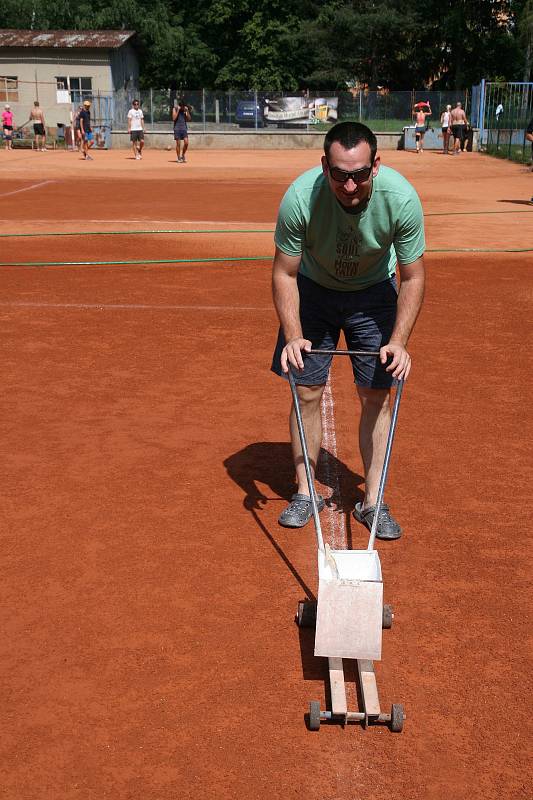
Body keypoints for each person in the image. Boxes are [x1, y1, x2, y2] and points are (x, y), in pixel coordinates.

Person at [271, 121, 425, 540]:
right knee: (305, 388)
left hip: (373, 292)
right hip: (314, 289)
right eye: (339, 174)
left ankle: (373, 501)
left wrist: (398, 342)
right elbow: (284, 273)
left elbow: (412, 277)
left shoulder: (401, 199)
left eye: (359, 173)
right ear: (325, 166)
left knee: (376, 394)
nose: (350, 185)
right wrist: (293, 333)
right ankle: (305, 492)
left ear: (376, 165)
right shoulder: (301, 198)